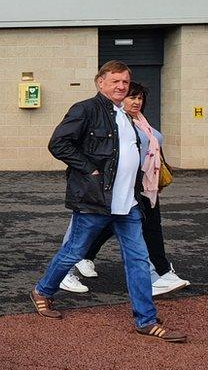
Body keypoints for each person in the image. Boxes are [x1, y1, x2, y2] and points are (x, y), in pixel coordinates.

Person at [29, 61, 186, 343]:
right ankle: (43, 290)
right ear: (100, 82)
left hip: (128, 204)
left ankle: (145, 319)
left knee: (138, 260)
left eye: (125, 82)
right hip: (95, 201)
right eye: (115, 81)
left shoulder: (126, 116)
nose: (121, 86)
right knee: (74, 251)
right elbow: (58, 143)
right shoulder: (86, 109)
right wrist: (89, 168)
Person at [60, 82, 190, 296]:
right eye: (132, 97)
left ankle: (157, 275)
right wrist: (91, 172)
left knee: (141, 230)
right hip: (103, 187)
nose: (137, 102)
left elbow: (151, 149)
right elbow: (70, 146)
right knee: (81, 230)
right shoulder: (112, 121)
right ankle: (63, 274)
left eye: (140, 98)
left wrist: (155, 179)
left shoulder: (141, 122)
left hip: (138, 187)